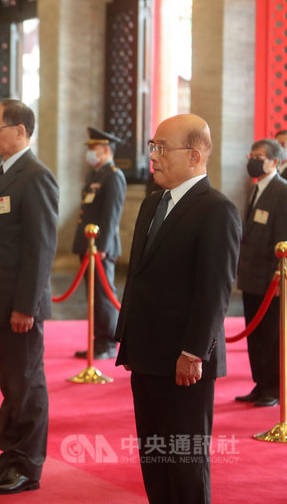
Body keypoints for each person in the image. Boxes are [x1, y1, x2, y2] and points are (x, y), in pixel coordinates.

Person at [115, 114, 241, 504]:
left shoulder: (216, 209)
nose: (153, 156)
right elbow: (140, 275)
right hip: (146, 352)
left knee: (185, 459)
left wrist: (193, 352)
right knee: (155, 456)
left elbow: (214, 290)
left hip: (184, 362)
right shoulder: (154, 202)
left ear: (194, 155)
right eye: (152, 147)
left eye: (161, 148)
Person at [0, 98, 58, 495]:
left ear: (20, 131)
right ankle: (9, 455)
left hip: (17, 304)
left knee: (26, 384)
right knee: (11, 385)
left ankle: (27, 464)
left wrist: (27, 305)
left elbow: (39, 247)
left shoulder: (35, 175)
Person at [236, 138, 287, 407]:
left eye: (258, 156)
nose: (252, 161)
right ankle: (260, 383)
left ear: (274, 162)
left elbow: (283, 238)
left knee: (271, 337)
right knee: (254, 335)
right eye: (251, 155)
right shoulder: (255, 188)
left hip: (271, 280)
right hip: (251, 276)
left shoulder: (282, 191)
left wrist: (279, 280)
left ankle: (274, 388)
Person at [71, 127, 127, 360]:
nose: (90, 153)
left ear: (105, 150)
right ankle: (97, 341)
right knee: (93, 296)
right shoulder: (95, 174)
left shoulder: (113, 175)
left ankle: (108, 343)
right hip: (88, 244)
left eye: (94, 149)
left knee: (103, 296)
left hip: (100, 248)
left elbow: (111, 215)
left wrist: (101, 246)